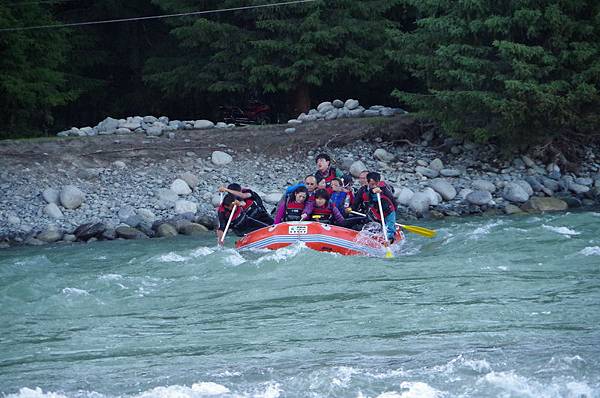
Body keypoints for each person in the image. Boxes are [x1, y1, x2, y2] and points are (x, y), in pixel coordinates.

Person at [361, 172, 397, 242]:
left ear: (378, 182)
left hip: (389, 212)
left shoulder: (384, 189)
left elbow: (393, 201)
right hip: (377, 213)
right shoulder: (367, 191)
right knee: (374, 226)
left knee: (389, 228)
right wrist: (372, 192)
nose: (374, 186)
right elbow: (369, 201)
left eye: (376, 184)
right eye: (372, 184)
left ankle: (389, 240)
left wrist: (395, 211)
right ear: (368, 183)